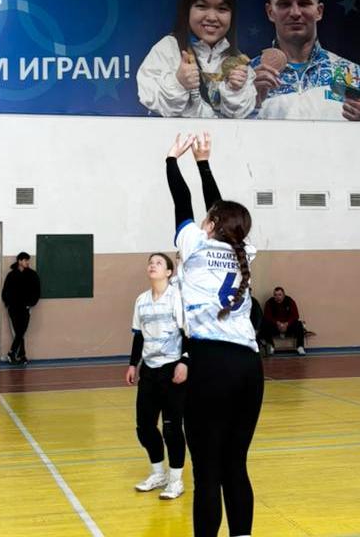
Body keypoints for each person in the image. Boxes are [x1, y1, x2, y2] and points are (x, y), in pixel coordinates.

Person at [165, 132, 263, 537]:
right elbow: (218, 209)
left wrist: (172, 160)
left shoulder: (194, 244)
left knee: (207, 471)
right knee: (235, 466)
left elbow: (182, 200)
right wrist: (204, 164)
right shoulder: (244, 251)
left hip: (211, 365)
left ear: (211, 225)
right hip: (248, 366)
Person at [250, 0, 360, 122]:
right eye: (284, 4)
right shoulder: (248, 76)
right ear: (270, 12)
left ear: (319, 11)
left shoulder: (356, 75)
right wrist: (252, 103)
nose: (295, 13)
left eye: (304, 3)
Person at [137, 0, 257, 119]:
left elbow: (241, 115)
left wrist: (235, 90)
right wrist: (178, 82)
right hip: (178, 135)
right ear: (187, 9)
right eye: (202, 6)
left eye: (222, 9)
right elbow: (150, 100)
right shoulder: (167, 49)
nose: (212, 17)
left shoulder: (237, 60)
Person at [125, 252, 187, 501]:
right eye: (150, 262)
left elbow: (188, 333)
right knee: (144, 427)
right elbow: (138, 335)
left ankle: (176, 480)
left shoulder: (177, 297)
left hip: (172, 369)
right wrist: (133, 364)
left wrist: (185, 362)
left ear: (169, 272)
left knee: (171, 429)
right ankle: (158, 473)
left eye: (159, 263)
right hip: (149, 370)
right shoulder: (141, 300)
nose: (153, 265)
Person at [1, 251, 41, 365]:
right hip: (13, 308)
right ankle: (21, 356)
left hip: (25, 308)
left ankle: (12, 353)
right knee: (19, 332)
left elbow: (37, 291)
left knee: (21, 331)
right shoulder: (11, 275)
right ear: (19, 261)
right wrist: (8, 303)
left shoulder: (32, 275)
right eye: (25, 260)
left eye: (28, 260)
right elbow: (5, 291)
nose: (27, 262)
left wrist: (31, 304)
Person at [260, 286, 307, 356]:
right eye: (275, 295)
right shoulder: (269, 302)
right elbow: (267, 316)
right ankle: (271, 347)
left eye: (280, 295)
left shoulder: (290, 301)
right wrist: (277, 323)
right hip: (275, 326)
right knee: (264, 324)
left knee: (299, 324)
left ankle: (300, 347)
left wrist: (287, 323)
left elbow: (295, 315)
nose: (277, 297)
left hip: (288, 326)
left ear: (284, 295)